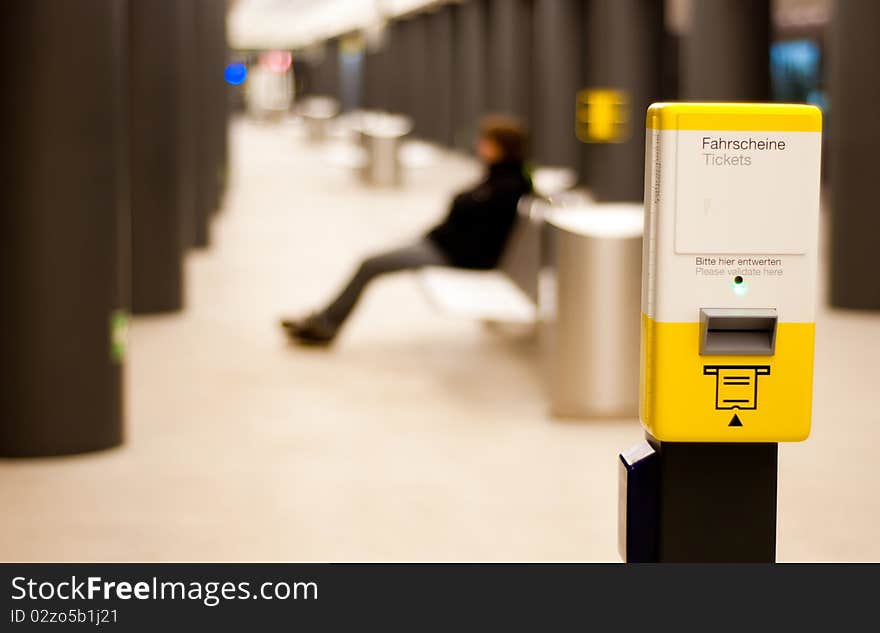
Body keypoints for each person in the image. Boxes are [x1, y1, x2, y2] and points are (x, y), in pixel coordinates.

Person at [281, 114, 533, 345]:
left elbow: (474, 220)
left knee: (369, 264)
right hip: (443, 245)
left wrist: (462, 204)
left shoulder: (508, 185)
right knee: (372, 262)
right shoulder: (498, 178)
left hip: (455, 255)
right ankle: (324, 320)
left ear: (500, 147)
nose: (480, 145)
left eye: (486, 141)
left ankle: (325, 324)